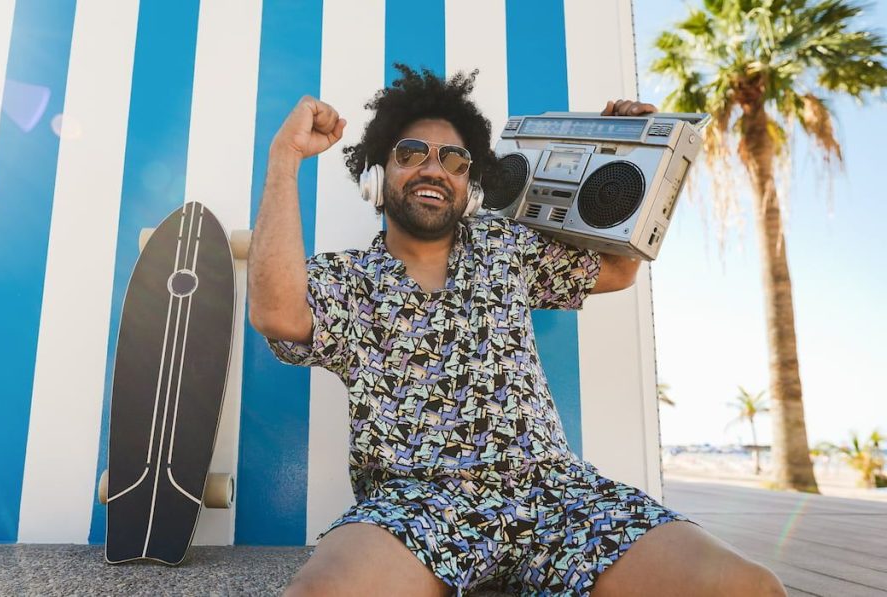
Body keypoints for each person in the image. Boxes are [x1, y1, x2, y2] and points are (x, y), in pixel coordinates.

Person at [248, 65, 786, 596]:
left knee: (750, 588)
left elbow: (619, 270)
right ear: (376, 176)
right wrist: (285, 157)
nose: (434, 169)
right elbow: (277, 312)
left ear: (470, 185)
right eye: (411, 154)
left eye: (454, 160)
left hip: (556, 496)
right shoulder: (346, 279)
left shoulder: (507, 247)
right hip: (418, 506)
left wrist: (625, 154)